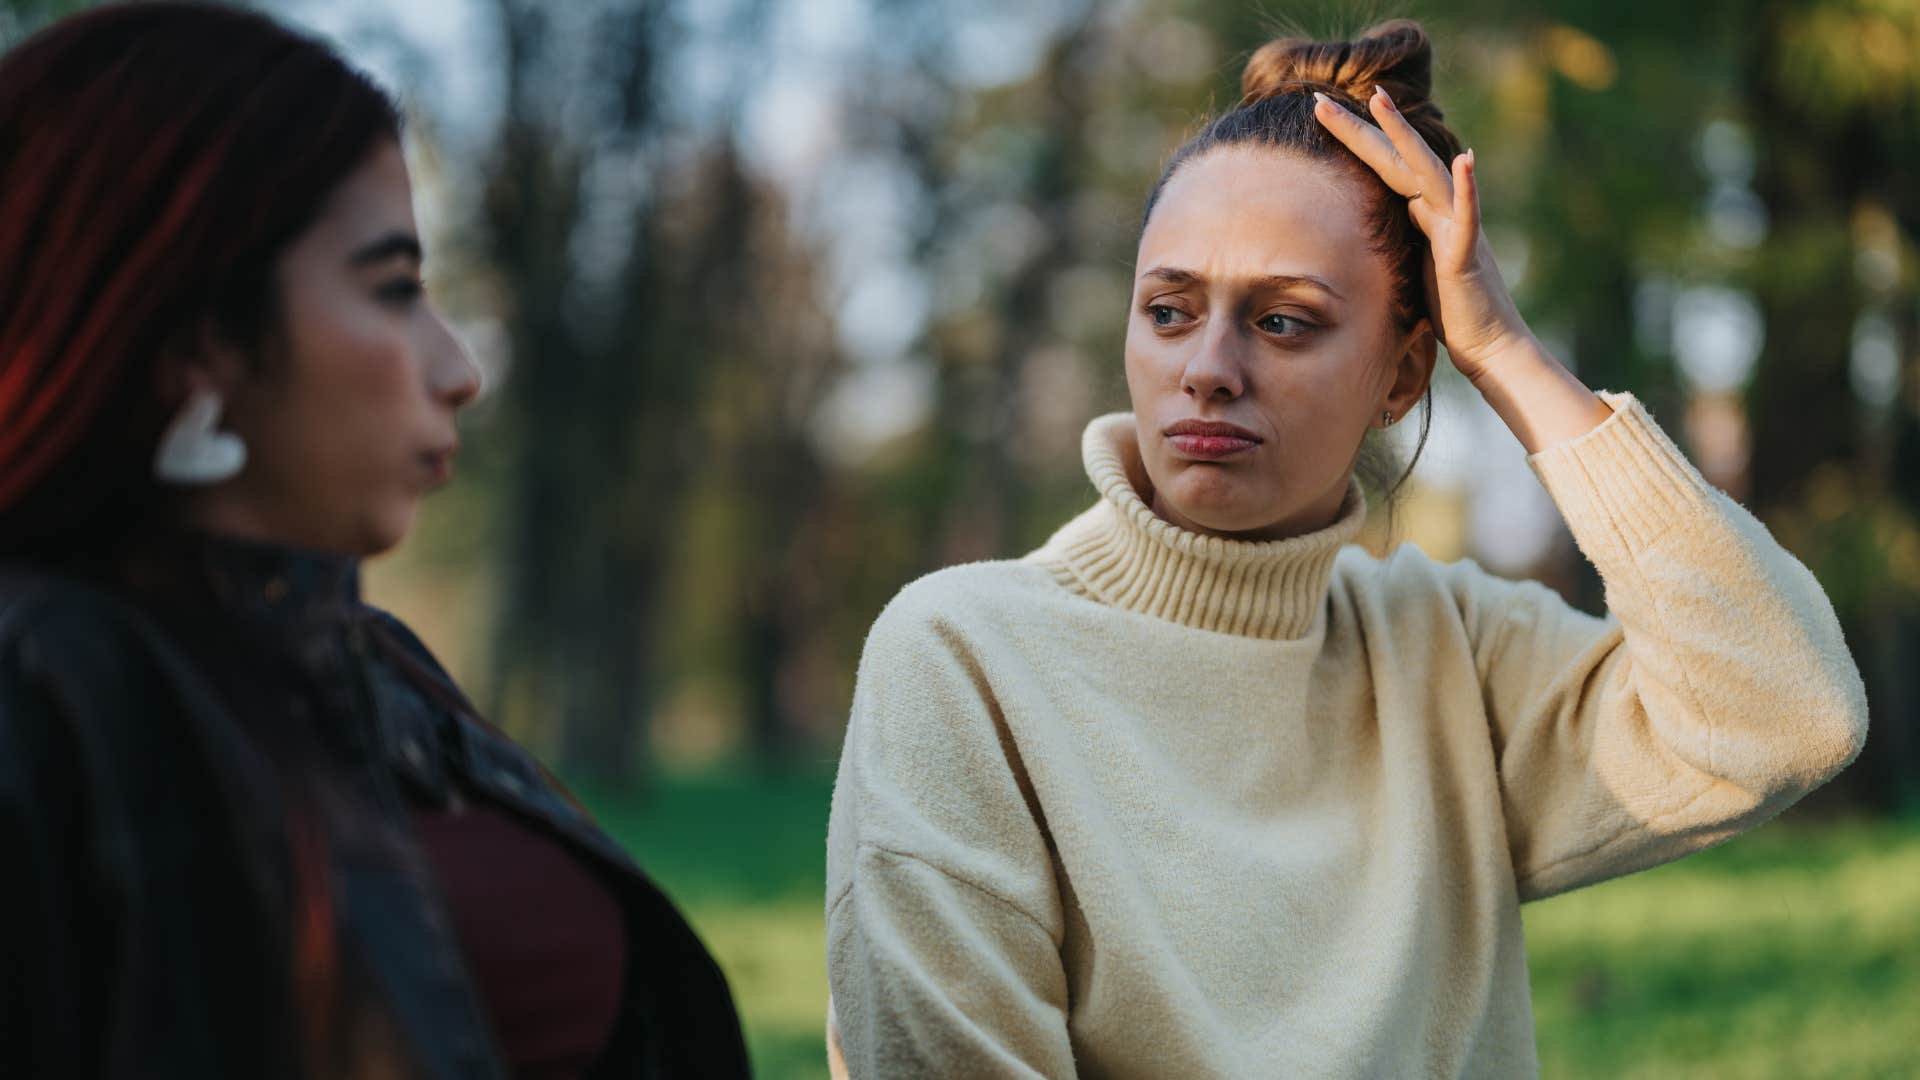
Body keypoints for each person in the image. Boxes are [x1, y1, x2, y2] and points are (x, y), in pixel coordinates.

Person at [825, 19, 1867, 1078]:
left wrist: (1505, 353)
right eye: (1170, 310)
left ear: (1404, 376)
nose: (1210, 368)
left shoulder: (1452, 656)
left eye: (1284, 322)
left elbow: (1787, 714)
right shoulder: (963, 662)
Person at [0, 4, 747, 1077]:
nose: (458, 369)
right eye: (393, 289)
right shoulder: (44, 680)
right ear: (195, 338)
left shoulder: (367, 665)